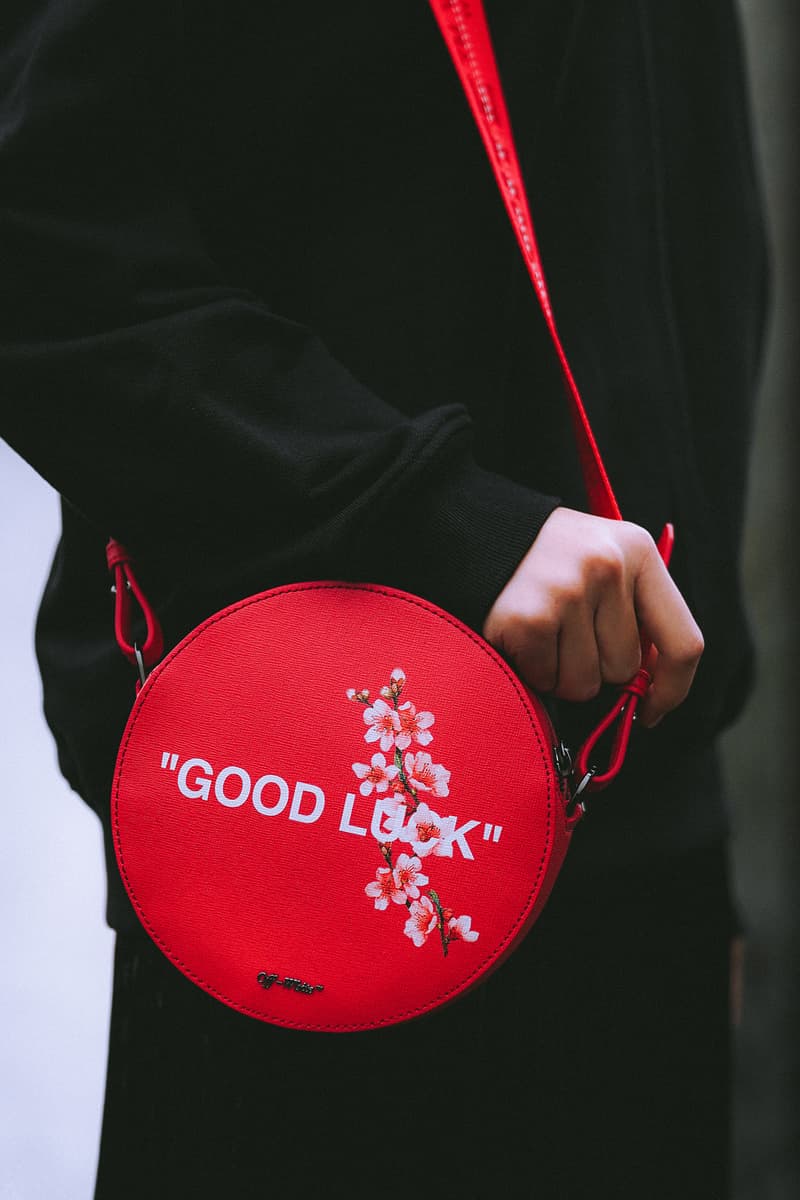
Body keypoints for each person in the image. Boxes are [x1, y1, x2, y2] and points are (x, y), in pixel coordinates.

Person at [0, 2, 767, 1196]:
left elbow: (679, 256)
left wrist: (688, 771)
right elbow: (41, 248)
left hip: (633, 819)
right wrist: (438, 523)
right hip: (310, 814)